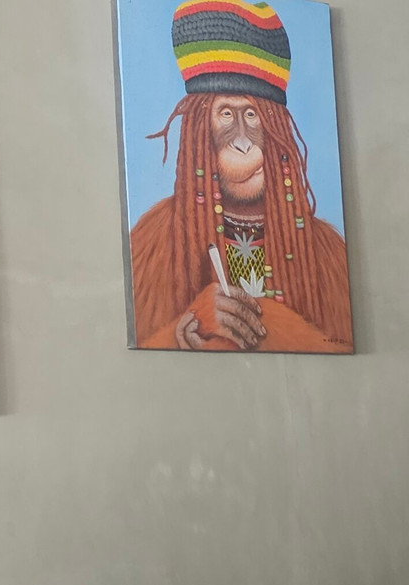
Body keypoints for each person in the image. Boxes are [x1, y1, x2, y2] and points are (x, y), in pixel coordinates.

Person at [129, 0, 353, 353]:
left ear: (275, 132)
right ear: (200, 134)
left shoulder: (325, 254)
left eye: (250, 115)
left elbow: (339, 349)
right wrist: (183, 332)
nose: (243, 143)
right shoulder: (155, 240)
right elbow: (137, 345)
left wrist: (273, 323)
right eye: (226, 116)